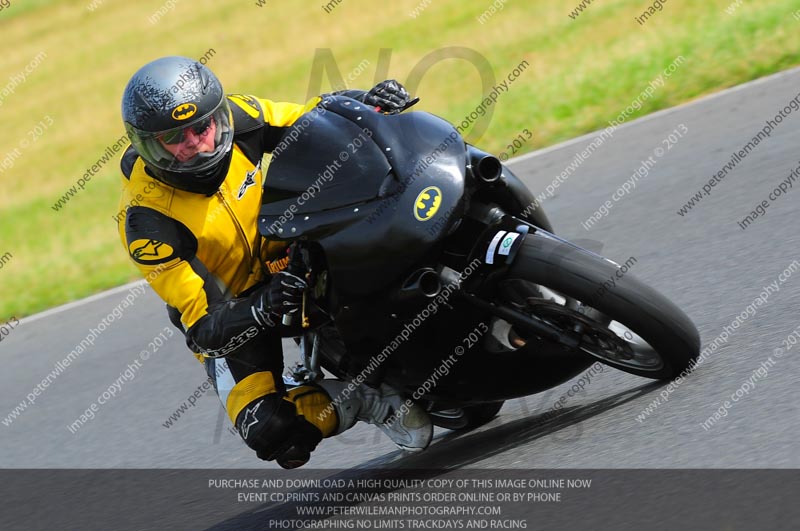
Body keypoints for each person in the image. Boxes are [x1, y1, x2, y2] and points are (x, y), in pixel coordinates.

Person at [117, 56, 432, 468]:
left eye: (202, 127)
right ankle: (364, 401)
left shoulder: (240, 114)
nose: (198, 143)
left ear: (217, 116)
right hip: (236, 310)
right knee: (273, 434)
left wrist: (369, 103)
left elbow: (315, 119)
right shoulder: (147, 221)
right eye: (177, 136)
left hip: (290, 248)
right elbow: (203, 329)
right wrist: (261, 306)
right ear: (149, 144)